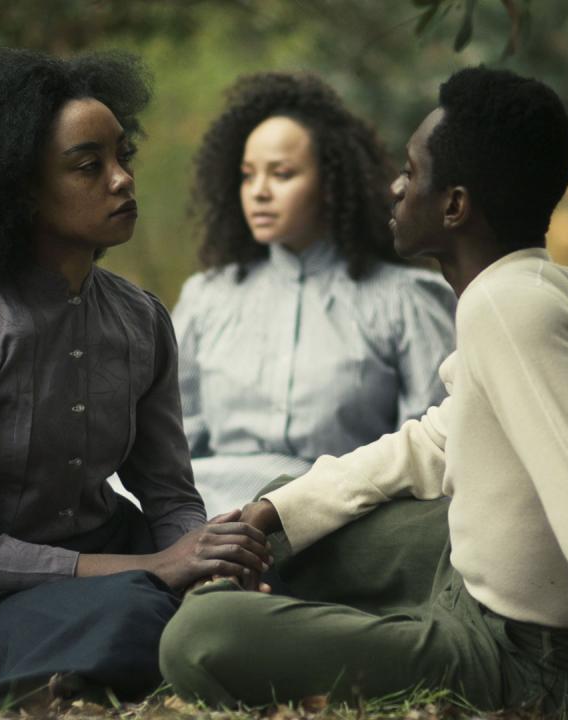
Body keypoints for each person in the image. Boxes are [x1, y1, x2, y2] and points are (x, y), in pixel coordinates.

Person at [159, 67, 568, 720]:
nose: (394, 187)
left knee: (199, 638)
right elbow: (435, 438)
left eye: (411, 171)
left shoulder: (509, 313)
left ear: (454, 205)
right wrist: (273, 512)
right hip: (471, 576)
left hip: (529, 661)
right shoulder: (547, 287)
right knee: (289, 511)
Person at [0, 49, 270, 706]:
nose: (121, 180)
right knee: (137, 618)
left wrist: (204, 564)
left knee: (255, 565)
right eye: (90, 166)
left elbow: (169, 495)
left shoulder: (141, 319)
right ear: (19, 190)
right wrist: (156, 568)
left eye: (124, 156)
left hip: (116, 559)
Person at [173, 72, 456, 513]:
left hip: (338, 515)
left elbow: (433, 449)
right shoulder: (207, 299)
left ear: (330, 183)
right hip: (207, 510)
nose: (260, 192)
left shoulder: (407, 300)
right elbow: (172, 444)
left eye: (281, 174)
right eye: (248, 176)